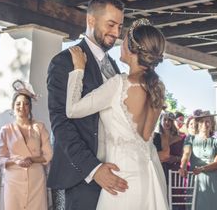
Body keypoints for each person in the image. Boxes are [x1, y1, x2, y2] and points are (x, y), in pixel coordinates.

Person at [64, 18, 169, 209]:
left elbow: (72, 110)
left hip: (122, 178)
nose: (120, 44)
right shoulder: (158, 87)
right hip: (150, 174)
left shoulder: (120, 84)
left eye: (125, 41)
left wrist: (78, 69)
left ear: (132, 49)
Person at [47, 0, 127, 209]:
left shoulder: (115, 68)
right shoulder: (64, 62)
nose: (116, 33)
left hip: (112, 171)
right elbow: (60, 122)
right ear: (91, 20)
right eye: (111, 24)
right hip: (78, 176)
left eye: (120, 26)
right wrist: (93, 169)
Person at [0, 81, 52, 210]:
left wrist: (32, 159)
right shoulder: (6, 130)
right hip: (14, 181)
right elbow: (0, 158)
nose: (22, 106)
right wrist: (16, 161)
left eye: (26, 104)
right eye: (18, 103)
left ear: (30, 107)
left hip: (36, 181)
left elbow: (48, 155)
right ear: (13, 106)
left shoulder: (39, 127)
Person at [179, 111, 217, 210]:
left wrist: (203, 168)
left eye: (207, 121)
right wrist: (182, 166)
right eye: (202, 121)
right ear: (198, 124)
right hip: (195, 180)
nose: (204, 124)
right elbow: (186, 155)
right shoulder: (190, 139)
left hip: (213, 181)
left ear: (212, 124)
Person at [154, 112, 184, 178]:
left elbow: (185, 157)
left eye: (170, 120)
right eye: (165, 119)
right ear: (160, 120)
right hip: (159, 169)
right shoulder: (155, 136)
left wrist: (176, 158)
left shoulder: (179, 138)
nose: (167, 122)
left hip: (175, 172)